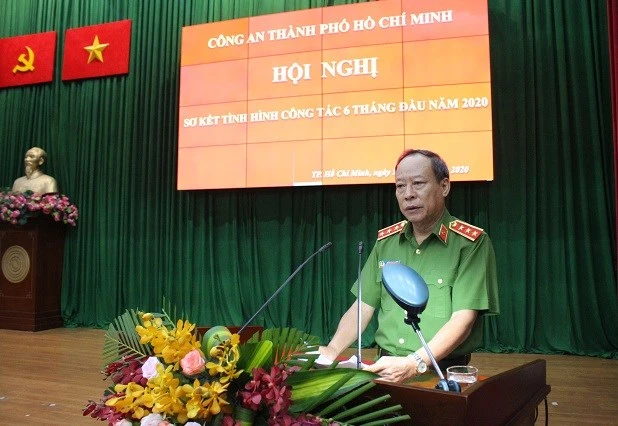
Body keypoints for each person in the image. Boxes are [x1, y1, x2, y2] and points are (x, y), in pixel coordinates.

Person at [319, 149, 499, 383]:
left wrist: (414, 363)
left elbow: (463, 319)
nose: (408, 194)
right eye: (400, 186)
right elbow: (362, 307)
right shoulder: (386, 243)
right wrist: (332, 349)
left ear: (444, 186)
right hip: (385, 369)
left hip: (440, 372)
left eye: (418, 184)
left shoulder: (470, 243)